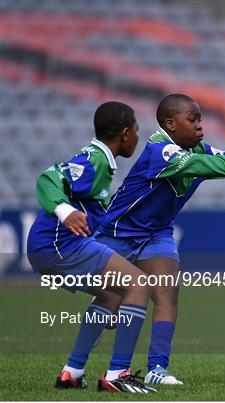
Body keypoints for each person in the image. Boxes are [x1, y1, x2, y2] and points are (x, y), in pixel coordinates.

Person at [91, 93, 225, 386]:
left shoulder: (196, 148)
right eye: (193, 120)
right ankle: (75, 367)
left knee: (166, 292)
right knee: (108, 298)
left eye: (200, 119)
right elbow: (203, 166)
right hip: (118, 233)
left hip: (157, 233)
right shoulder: (159, 151)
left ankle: (157, 368)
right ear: (171, 124)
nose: (201, 126)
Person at [27, 102, 156, 394]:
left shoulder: (101, 161)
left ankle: (72, 372)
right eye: (137, 130)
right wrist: (64, 211)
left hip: (50, 247)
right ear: (125, 134)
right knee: (138, 284)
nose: (138, 136)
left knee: (113, 295)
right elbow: (49, 178)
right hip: (58, 245)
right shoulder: (95, 158)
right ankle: (117, 375)